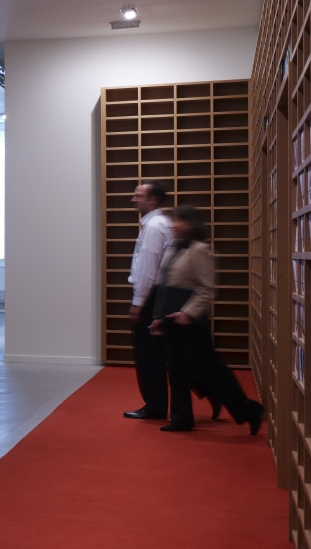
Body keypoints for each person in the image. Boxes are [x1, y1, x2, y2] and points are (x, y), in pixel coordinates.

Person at [150, 205, 263, 433]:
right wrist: (159, 317)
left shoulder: (200, 249)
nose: (173, 225)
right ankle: (181, 418)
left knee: (212, 370)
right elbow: (166, 286)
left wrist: (188, 313)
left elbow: (207, 289)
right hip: (173, 322)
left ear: (191, 224)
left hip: (191, 323)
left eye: (178, 221)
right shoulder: (175, 248)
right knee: (177, 371)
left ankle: (249, 409)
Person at [123, 180, 172, 420]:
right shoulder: (159, 223)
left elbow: (148, 269)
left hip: (151, 296)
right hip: (159, 295)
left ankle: (154, 405)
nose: (133, 199)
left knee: (148, 355)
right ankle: (156, 404)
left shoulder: (154, 226)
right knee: (155, 354)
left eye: (138, 195)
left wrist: (138, 301)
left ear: (152, 200)